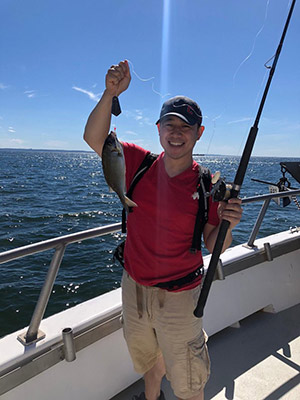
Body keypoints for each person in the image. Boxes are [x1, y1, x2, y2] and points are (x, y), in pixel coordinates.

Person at [84, 60, 243, 400]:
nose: (176, 133)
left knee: (188, 378)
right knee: (146, 359)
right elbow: (93, 137)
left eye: (185, 127)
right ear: (157, 129)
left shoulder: (209, 185)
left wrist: (229, 223)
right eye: (169, 125)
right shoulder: (136, 163)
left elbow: (216, 243)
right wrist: (109, 94)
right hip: (134, 288)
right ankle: (151, 397)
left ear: (199, 133)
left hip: (181, 298)